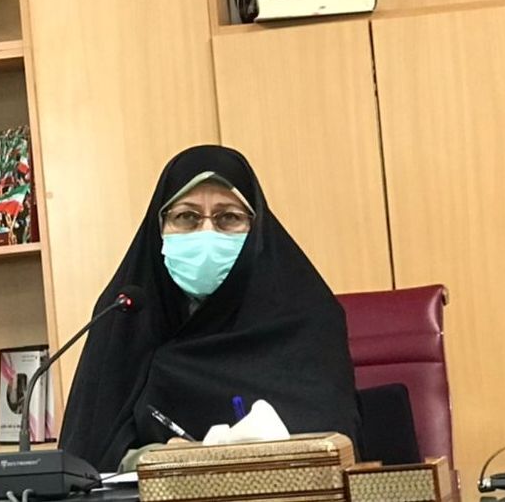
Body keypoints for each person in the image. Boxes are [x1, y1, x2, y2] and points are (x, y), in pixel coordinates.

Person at [58, 145, 361, 472]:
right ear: (159, 227)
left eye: (228, 217)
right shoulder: (124, 313)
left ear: (257, 228)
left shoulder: (308, 317)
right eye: (186, 217)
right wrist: (150, 458)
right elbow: (85, 457)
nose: (206, 234)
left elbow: (335, 447)